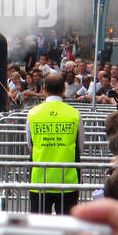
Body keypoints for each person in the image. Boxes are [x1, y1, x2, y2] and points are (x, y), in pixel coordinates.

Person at [27, 71, 83, 216]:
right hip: (68, 179)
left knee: (38, 227)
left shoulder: (33, 113)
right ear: (64, 89)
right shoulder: (74, 114)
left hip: (39, 178)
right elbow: (80, 146)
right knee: (67, 228)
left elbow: (30, 144)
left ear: (44, 89)